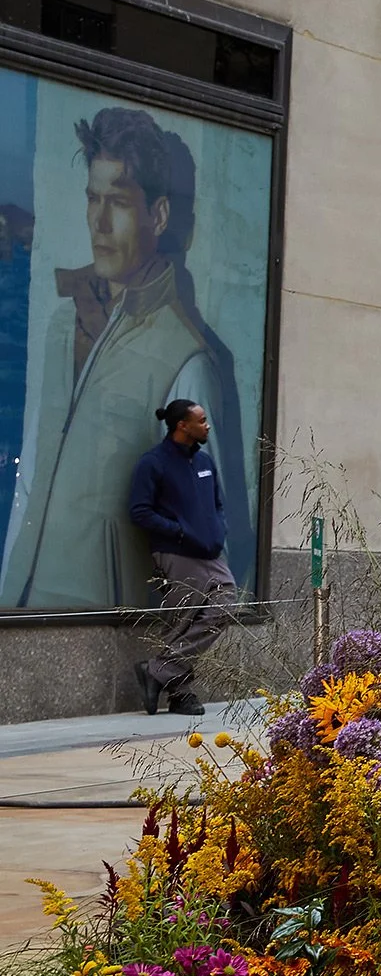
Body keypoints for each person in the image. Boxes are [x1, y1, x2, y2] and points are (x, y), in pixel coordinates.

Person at [2, 105, 250, 610]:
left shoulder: (185, 357)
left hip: (108, 612)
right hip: (25, 602)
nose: (99, 220)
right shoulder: (58, 328)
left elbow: (210, 512)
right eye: (93, 199)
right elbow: (30, 480)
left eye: (116, 201)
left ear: (157, 214)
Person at [127, 399, 238, 716]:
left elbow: (217, 504)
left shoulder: (204, 462)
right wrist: (178, 532)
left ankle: (158, 670)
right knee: (183, 621)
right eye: (201, 420)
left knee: (224, 607)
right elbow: (139, 512)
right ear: (182, 426)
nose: (207, 425)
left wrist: (219, 528)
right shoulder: (154, 463)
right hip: (177, 552)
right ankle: (180, 693)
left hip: (210, 553)